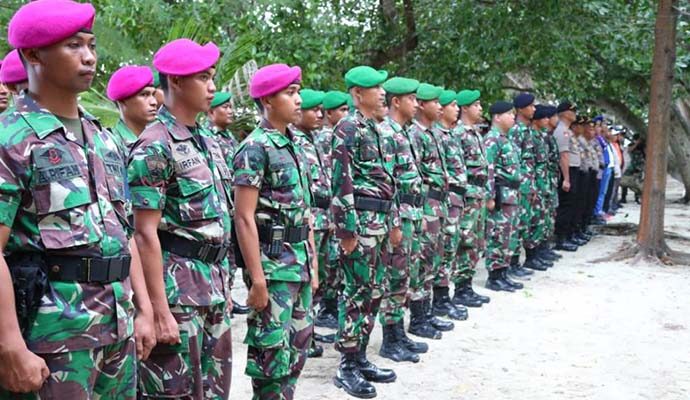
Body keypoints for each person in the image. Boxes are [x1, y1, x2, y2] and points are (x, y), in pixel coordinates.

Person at [0, 1, 156, 398]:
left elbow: (125, 233)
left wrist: (144, 310)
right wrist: (10, 344)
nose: (89, 57)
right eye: (73, 46)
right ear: (33, 55)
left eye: (91, 45)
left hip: (117, 328)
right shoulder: (11, 138)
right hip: (52, 338)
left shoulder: (102, 138)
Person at [128, 38, 233, 399]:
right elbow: (143, 233)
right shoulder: (154, 145)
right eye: (203, 78)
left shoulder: (206, 140)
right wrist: (158, 311)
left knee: (216, 392)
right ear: (175, 81)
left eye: (212, 77)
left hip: (213, 289)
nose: (212, 87)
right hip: (178, 296)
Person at [232, 63, 316, 399]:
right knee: (271, 359)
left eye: (298, 92)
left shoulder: (295, 143)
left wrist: (313, 265)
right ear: (268, 100)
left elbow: (304, 211)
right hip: (273, 268)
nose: (299, 100)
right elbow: (243, 217)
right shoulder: (255, 148)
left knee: (297, 350)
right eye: (290, 93)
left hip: (299, 264)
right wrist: (257, 279)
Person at [331, 65, 399, 398]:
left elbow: (388, 180)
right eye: (376, 87)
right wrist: (346, 230)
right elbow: (340, 180)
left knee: (373, 291)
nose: (383, 93)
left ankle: (359, 356)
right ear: (358, 94)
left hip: (380, 221)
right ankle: (346, 365)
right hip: (360, 222)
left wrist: (394, 219)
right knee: (356, 292)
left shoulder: (375, 128)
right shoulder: (347, 127)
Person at [377, 77, 428, 363]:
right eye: (411, 99)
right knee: (393, 277)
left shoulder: (404, 133)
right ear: (396, 102)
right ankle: (390, 338)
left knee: (405, 275)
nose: (416, 104)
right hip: (400, 216)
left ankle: (399, 333)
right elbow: (387, 184)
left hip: (413, 214)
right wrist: (394, 222)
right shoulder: (386, 134)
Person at [407, 83, 456, 335]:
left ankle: (426, 313)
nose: (440, 106)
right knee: (421, 262)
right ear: (422, 105)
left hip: (438, 205)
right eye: (435, 102)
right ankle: (417, 319)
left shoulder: (433, 133)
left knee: (433, 261)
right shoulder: (415, 135)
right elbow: (415, 176)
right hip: (426, 206)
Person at [206, 91, 251, 317]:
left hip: (234, 206)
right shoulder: (208, 138)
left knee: (233, 256)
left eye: (231, 106)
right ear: (211, 112)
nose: (230, 111)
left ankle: (229, 295)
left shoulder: (229, 138)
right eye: (225, 107)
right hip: (220, 206)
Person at [291, 88, 329, 358]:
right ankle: (305, 335)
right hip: (309, 219)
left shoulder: (312, 139)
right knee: (308, 282)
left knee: (319, 278)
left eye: (320, 110)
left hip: (322, 219)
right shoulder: (296, 142)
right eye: (313, 110)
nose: (318, 115)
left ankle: (310, 331)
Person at [313, 90, 350, 331]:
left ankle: (327, 309)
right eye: (342, 110)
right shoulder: (325, 137)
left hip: (327, 214)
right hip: (316, 216)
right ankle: (320, 315)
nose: (346, 114)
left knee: (330, 265)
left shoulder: (329, 136)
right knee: (317, 268)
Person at [452, 89, 492, 307]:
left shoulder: (475, 133)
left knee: (476, 241)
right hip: (467, 195)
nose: (480, 109)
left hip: (478, 194)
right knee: (465, 241)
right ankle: (460, 287)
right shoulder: (458, 134)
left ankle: (467, 285)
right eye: (476, 105)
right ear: (465, 108)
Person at [433, 89, 468, 321]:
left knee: (451, 248)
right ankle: (440, 299)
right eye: (452, 105)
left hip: (455, 200)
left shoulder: (450, 135)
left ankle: (445, 297)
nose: (457, 109)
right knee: (443, 250)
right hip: (443, 200)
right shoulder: (436, 135)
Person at [483, 101, 523, 291]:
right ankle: (494, 276)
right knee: (498, 235)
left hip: (511, 195)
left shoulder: (506, 139)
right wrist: (490, 196)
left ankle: (503, 272)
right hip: (501, 195)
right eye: (509, 114)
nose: (513, 117)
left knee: (509, 235)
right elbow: (488, 169)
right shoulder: (492, 139)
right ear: (497, 117)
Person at [508, 93, 544, 277]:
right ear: (521, 109)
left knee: (525, 223)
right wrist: (522, 186)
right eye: (531, 106)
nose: (534, 109)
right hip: (520, 187)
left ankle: (523, 260)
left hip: (528, 185)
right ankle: (512, 263)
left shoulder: (527, 130)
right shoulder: (516, 131)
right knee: (517, 225)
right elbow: (515, 161)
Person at [106, 65, 158, 152]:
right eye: (144, 95)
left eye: (153, 94)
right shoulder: (108, 143)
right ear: (123, 100)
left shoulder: (161, 139)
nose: (154, 102)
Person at [552, 102, 580, 251]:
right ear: (563, 113)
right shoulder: (561, 131)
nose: (574, 113)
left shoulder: (567, 131)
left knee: (572, 205)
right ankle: (561, 239)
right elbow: (563, 156)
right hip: (567, 172)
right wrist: (567, 178)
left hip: (572, 171)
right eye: (571, 111)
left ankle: (568, 235)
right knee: (566, 205)